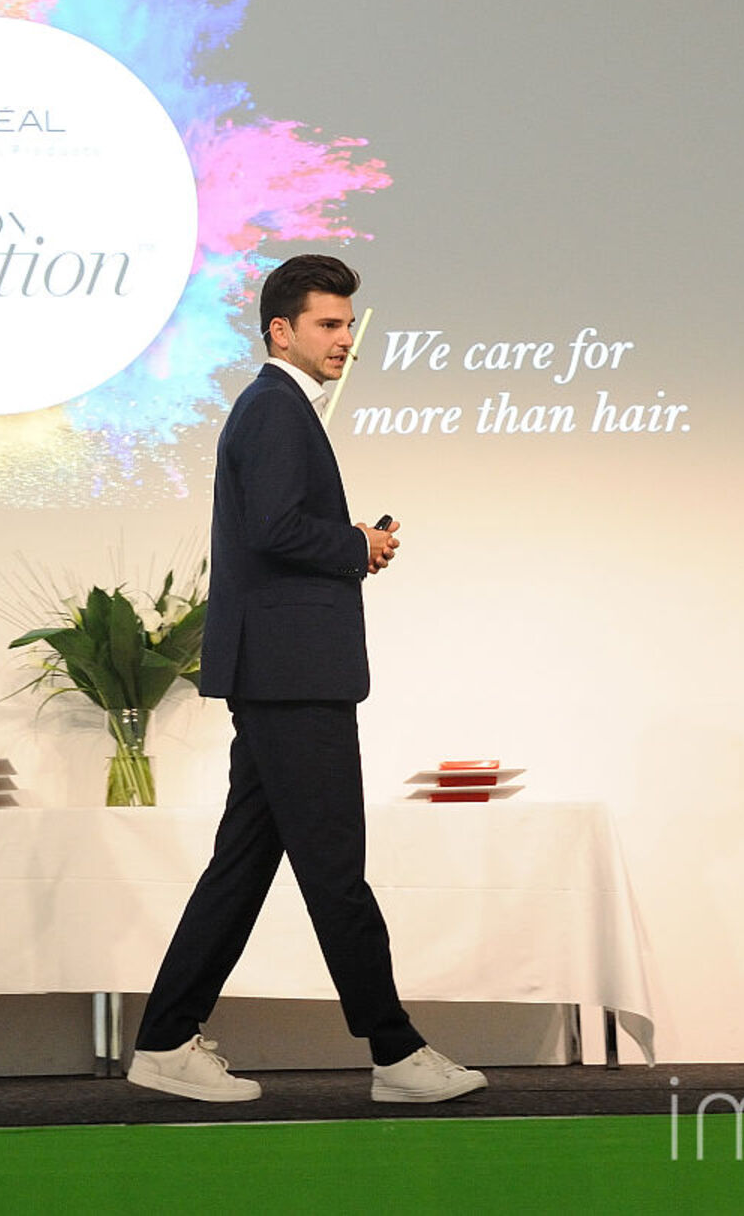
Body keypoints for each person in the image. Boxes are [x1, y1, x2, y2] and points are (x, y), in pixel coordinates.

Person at [126, 253, 487, 1105]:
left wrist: (350, 541)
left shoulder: (276, 409)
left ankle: (166, 1041)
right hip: (291, 675)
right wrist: (357, 544)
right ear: (281, 330)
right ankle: (396, 1052)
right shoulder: (275, 409)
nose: (345, 338)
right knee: (333, 869)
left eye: (349, 324)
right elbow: (276, 528)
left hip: (282, 671)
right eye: (329, 324)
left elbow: (274, 528)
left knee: (244, 865)